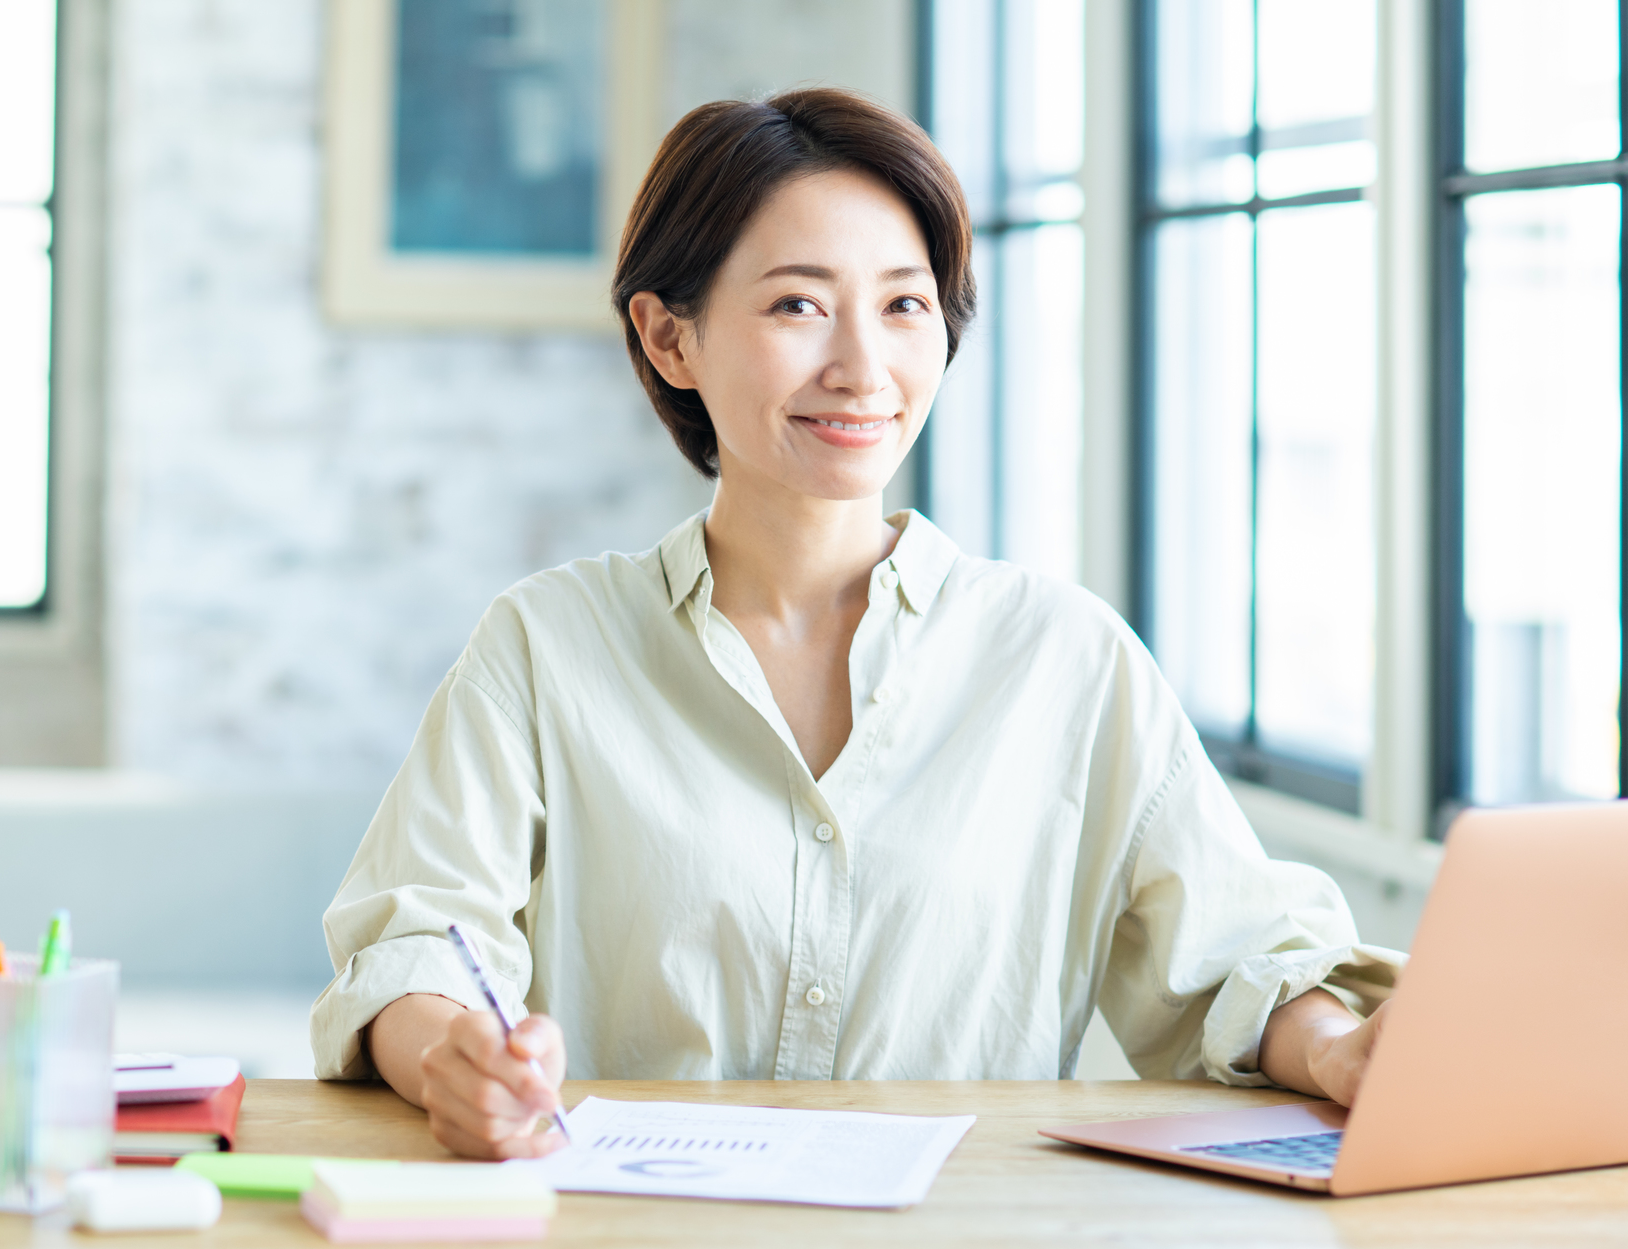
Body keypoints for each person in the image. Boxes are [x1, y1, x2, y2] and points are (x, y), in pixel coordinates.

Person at [310, 87, 1403, 1161]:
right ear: (669, 337)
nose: (862, 369)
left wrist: (1340, 1050)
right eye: (798, 305)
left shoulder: (1065, 658)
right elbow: (414, 945)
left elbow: (1236, 961)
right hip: (635, 1242)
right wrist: (456, 1059)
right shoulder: (547, 646)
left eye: (904, 306)